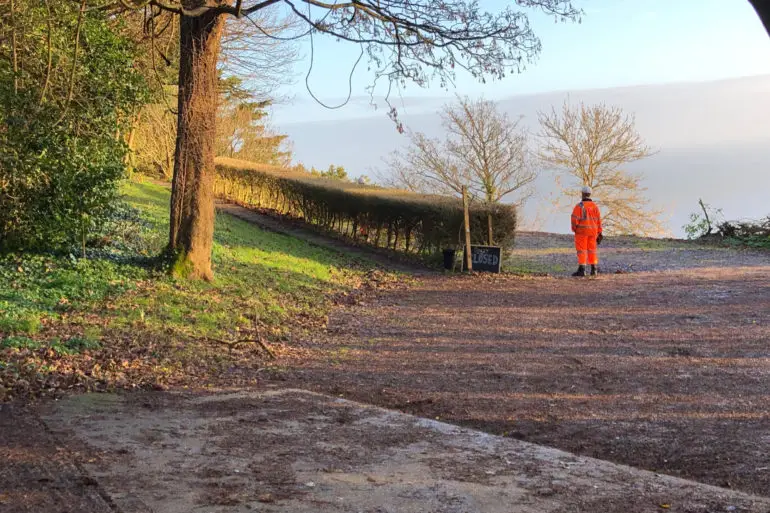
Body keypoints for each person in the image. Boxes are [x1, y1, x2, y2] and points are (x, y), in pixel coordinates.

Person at [570, 186, 603, 276]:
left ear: (582, 194)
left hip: (582, 232)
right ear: (589, 194)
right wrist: (600, 233)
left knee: (582, 250)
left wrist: (575, 229)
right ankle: (594, 269)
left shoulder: (579, 206)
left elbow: (574, 219)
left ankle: (582, 269)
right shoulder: (595, 207)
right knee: (592, 250)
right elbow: (598, 221)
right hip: (593, 232)